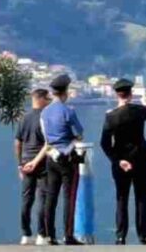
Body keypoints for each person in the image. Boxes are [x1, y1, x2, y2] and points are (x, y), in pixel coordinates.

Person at [100, 78, 146, 245]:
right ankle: (142, 235)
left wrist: (117, 160)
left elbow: (105, 143)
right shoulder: (139, 111)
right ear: (131, 94)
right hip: (140, 159)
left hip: (120, 161)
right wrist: (145, 100)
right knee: (142, 197)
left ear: (117, 94)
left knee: (121, 197)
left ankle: (121, 235)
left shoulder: (110, 117)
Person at [40, 74, 85, 245]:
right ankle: (68, 235)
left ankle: (50, 235)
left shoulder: (44, 112)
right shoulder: (69, 111)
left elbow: (46, 137)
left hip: (51, 157)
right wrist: (72, 139)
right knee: (69, 197)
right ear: (65, 92)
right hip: (68, 157)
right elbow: (79, 132)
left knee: (51, 196)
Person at [15, 89, 52, 245]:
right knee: (42, 199)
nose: (49, 101)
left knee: (26, 199)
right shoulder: (46, 118)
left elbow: (18, 143)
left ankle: (25, 234)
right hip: (42, 161)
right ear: (42, 99)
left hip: (26, 162)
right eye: (47, 98)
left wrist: (20, 164)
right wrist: (35, 161)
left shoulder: (24, 118)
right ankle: (41, 235)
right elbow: (48, 144)